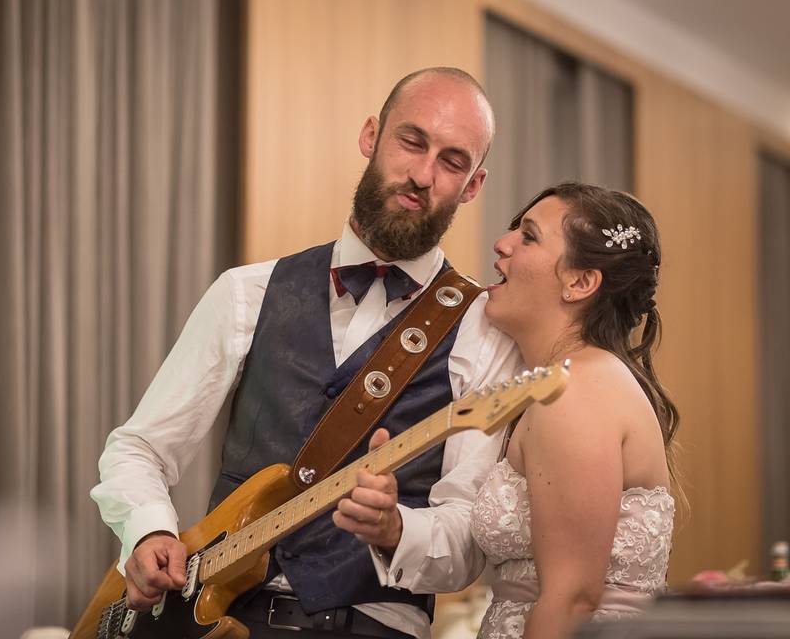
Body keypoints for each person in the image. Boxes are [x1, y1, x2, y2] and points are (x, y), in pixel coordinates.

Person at [90, 67, 522, 639]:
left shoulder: (484, 329)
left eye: (452, 161)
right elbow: (138, 447)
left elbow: (470, 536)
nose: (423, 175)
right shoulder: (246, 291)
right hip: (208, 618)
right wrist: (147, 531)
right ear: (371, 135)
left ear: (473, 185)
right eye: (411, 141)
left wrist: (397, 530)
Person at [339, 182, 679, 639]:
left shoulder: (576, 392)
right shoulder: (555, 382)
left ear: (579, 282)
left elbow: (571, 598)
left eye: (530, 236)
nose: (502, 242)